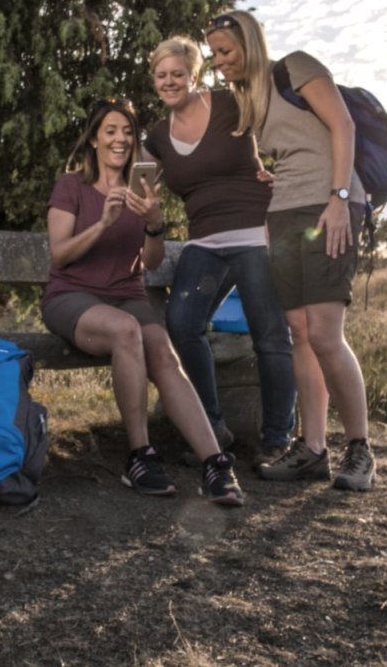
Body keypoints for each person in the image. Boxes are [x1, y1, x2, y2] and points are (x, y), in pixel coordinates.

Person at [40, 96, 245, 506]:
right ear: (94, 140)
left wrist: (154, 224)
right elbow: (60, 254)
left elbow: (150, 263)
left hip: (127, 294)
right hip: (72, 297)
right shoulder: (71, 186)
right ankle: (139, 455)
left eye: (128, 132)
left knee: (163, 352)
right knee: (126, 331)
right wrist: (103, 224)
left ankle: (215, 464)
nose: (120, 139)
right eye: (110, 131)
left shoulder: (144, 190)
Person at [204, 10, 377, 491]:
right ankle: (313, 449)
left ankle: (360, 449)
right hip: (284, 213)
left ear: (251, 42)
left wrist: (340, 200)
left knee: (324, 333)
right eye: (214, 55)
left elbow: (342, 126)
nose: (220, 62)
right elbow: (298, 148)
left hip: (331, 206)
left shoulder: (295, 67)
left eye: (226, 51)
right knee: (299, 332)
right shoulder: (252, 98)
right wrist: (272, 178)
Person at [140, 37, 296, 468]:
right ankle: (212, 428)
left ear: (194, 75)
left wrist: (284, 175)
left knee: (270, 334)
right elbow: (124, 175)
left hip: (254, 232)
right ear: (154, 79)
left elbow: (286, 127)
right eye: (161, 75)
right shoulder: (155, 138)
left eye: (178, 74)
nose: (169, 82)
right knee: (182, 322)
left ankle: (278, 438)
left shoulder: (231, 102)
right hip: (204, 241)